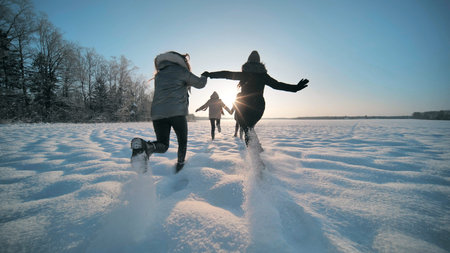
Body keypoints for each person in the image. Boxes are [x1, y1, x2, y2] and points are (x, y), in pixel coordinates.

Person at [202, 50, 309, 148]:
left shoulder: (245, 74)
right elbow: (278, 85)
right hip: (258, 106)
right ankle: (257, 153)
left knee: (247, 129)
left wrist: (210, 74)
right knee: (249, 129)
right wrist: (295, 88)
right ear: (259, 63)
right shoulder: (263, 76)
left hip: (245, 106)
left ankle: (256, 155)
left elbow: (226, 74)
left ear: (248, 62)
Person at [131, 51, 207, 173]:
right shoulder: (181, 71)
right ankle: (180, 166)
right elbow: (200, 84)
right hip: (177, 113)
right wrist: (205, 75)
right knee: (182, 141)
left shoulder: (159, 75)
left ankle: (147, 147)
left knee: (162, 144)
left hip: (158, 115)